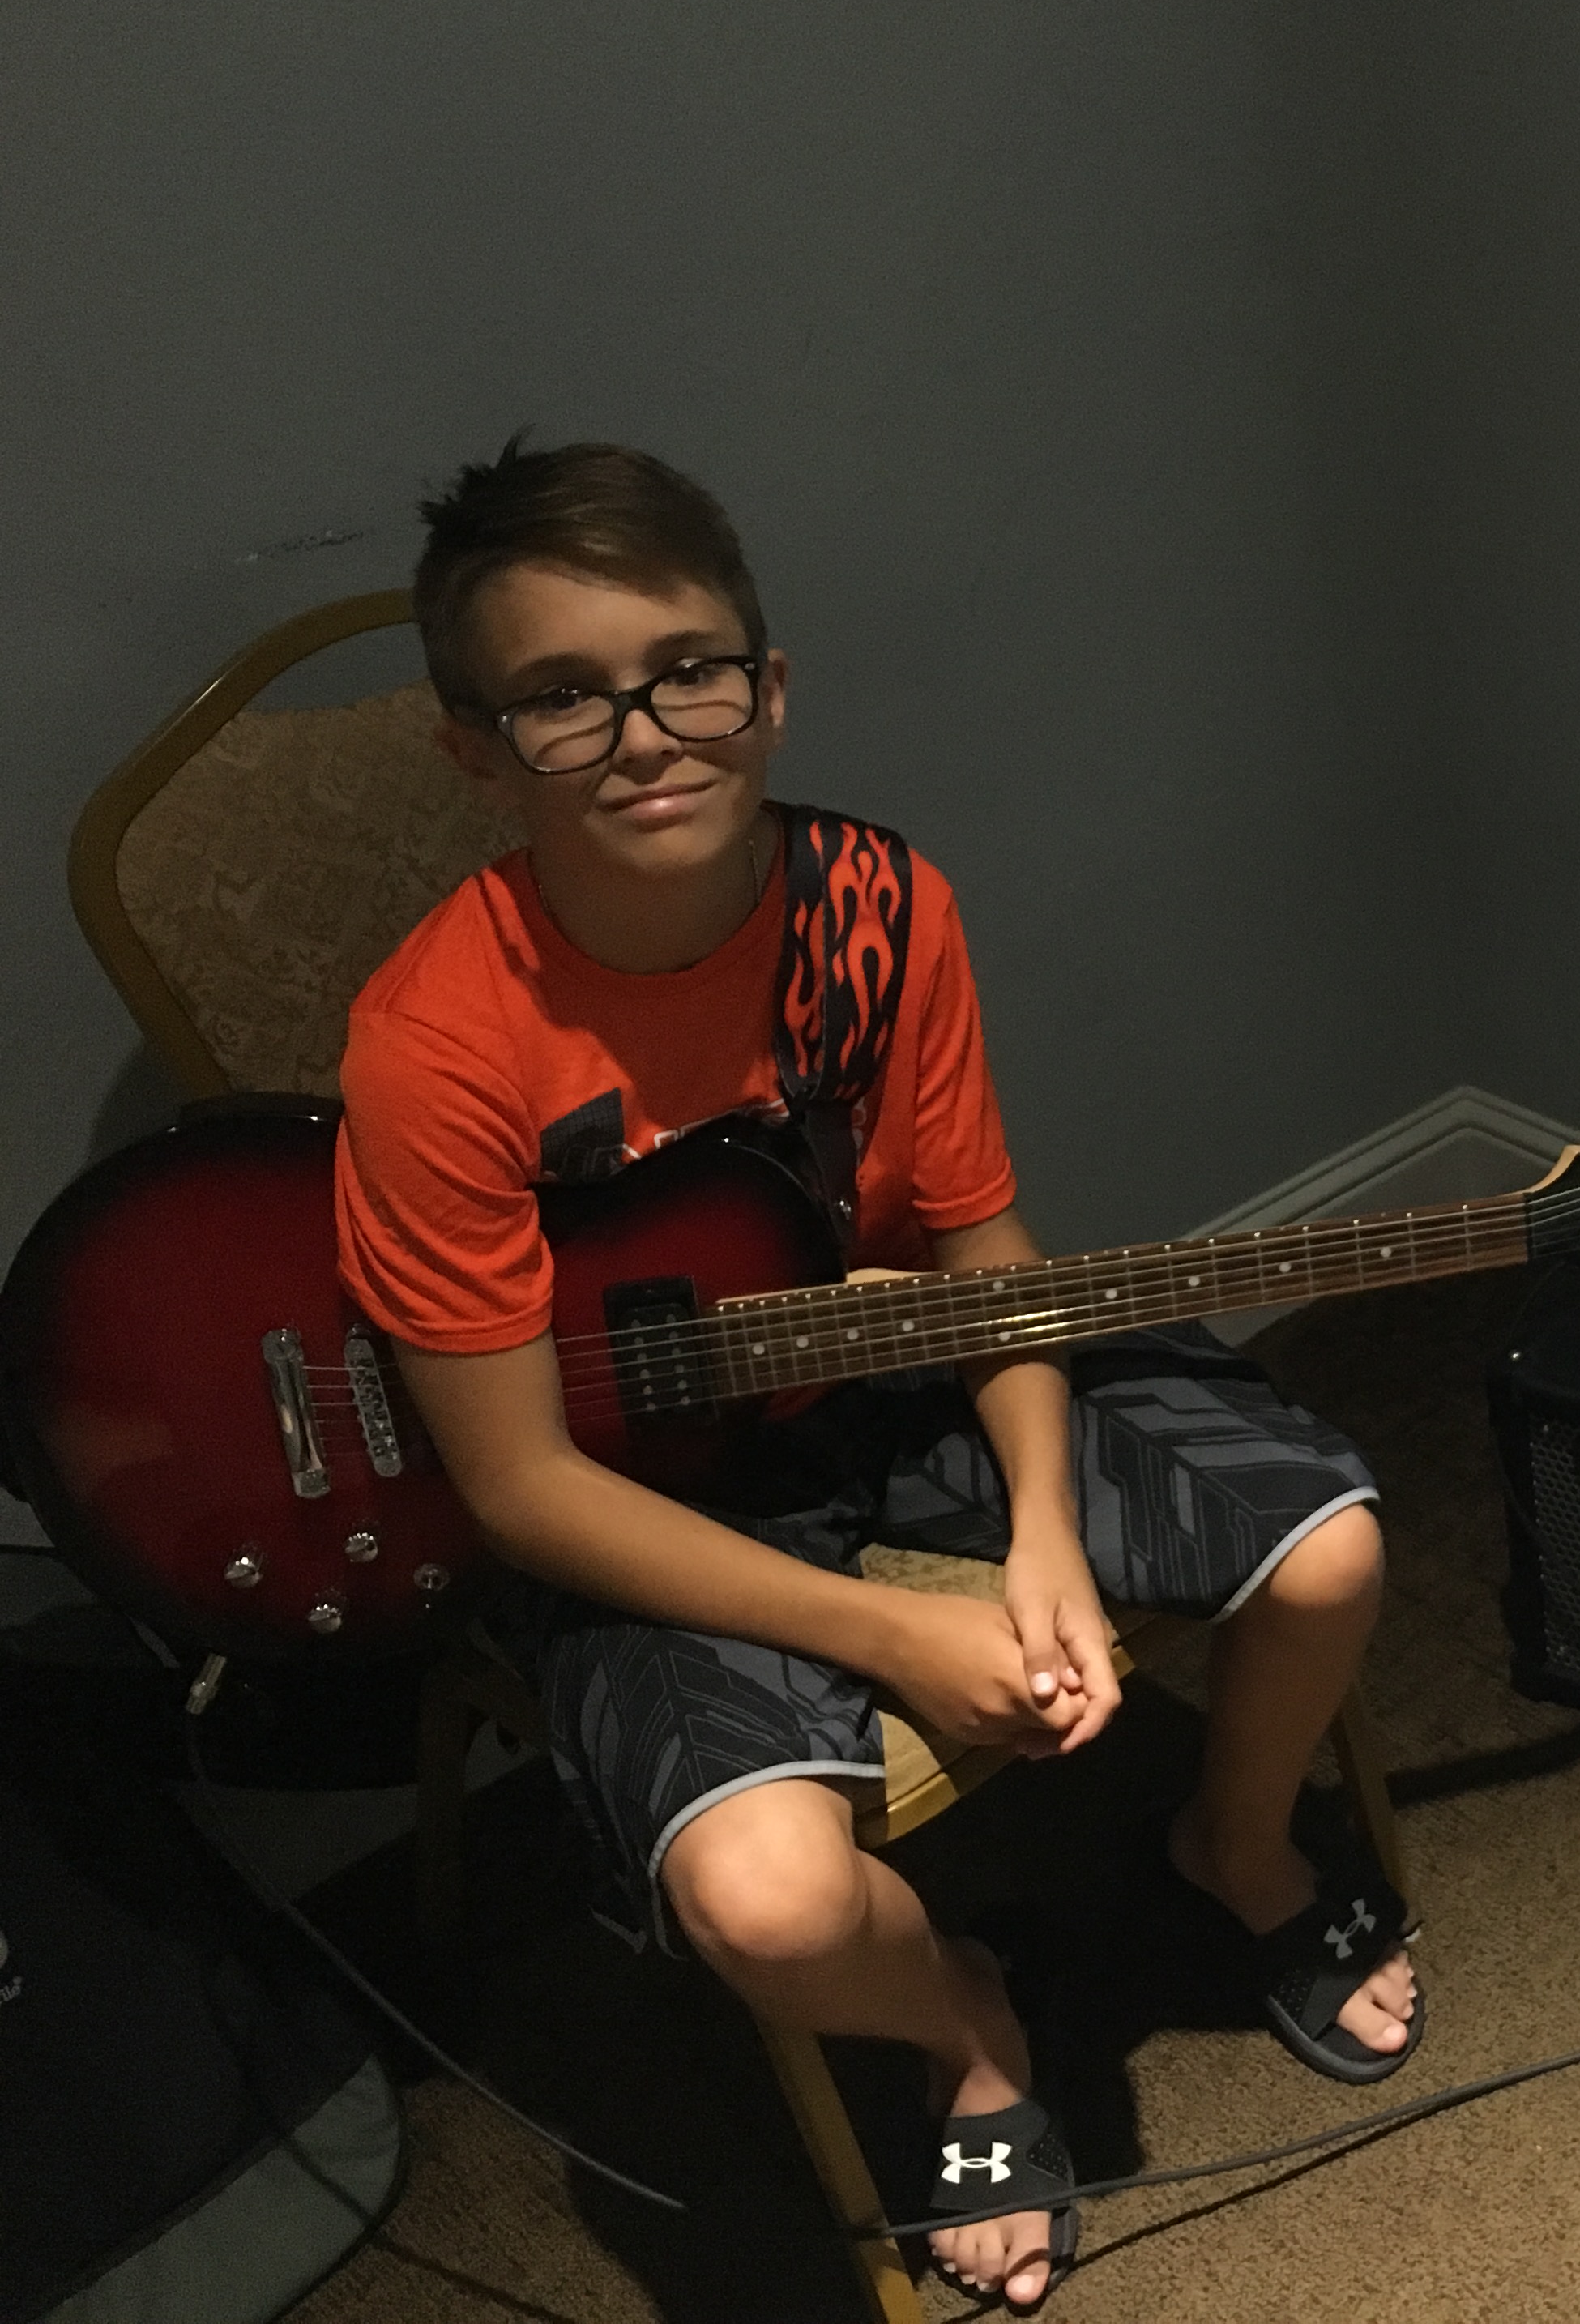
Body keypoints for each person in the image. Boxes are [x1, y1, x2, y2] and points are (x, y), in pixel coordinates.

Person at [337, 438, 1422, 2312]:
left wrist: (1039, 1533)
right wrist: (889, 1636)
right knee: (768, 1904)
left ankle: (1229, 1840)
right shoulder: (434, 1043)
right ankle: (969, 2032)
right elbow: (519, 1488)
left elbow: (979, 1249)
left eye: (690, 667)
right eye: (562, 697)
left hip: (899, 1368)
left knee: (1329, 1554)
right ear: (473, 746)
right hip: (651, 1482)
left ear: (768, 683)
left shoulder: (877, 903)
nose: (648, 732)